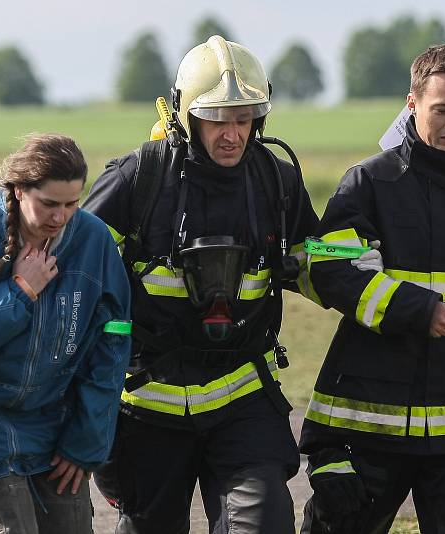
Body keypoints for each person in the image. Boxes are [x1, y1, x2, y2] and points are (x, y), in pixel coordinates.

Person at [83, 35, 320, 534]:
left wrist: (361, 266)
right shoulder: (137, 180)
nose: (232, 134)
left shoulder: (277, 182)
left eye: (244, 118)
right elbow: (77, 277)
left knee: (264, 523)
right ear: (186, 116)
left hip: (242, 396)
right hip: (147, 404)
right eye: (217, 118)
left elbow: (311, 259)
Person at [299, 45, 445, 534]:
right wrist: (414, 308)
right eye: (441, 109)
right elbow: (329, 269)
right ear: (412, 103)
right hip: (370, 419)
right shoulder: (367, 183)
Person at [0, 133, 132, 533]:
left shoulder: (94, 240)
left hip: (58, 431)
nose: (60, 217)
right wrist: (19, 293)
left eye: (72, 204)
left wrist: (86, 441)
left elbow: (113, 343)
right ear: (18, 191)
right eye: (49, 204)